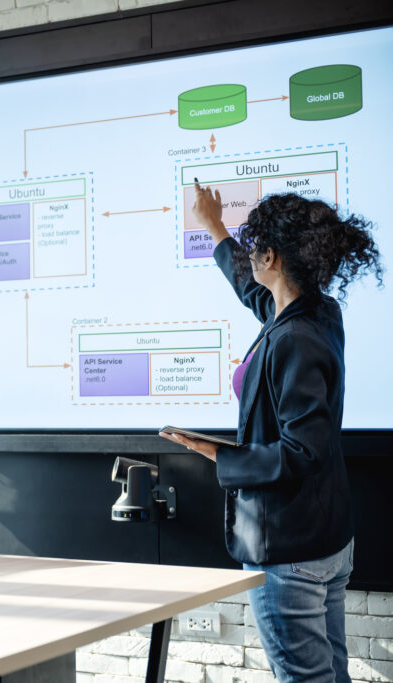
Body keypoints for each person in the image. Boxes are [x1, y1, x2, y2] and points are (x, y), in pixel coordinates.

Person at [161, 186, 383, 682]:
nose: (250, 254)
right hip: (324, 540)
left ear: (273, 256)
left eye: (254, 243)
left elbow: (305, 450)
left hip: (290, 548)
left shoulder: (295, 338)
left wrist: (222, 455)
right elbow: (252, 289)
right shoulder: (313, 313)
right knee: (331, 675)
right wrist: (214, 226)